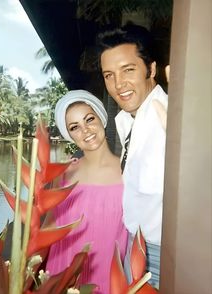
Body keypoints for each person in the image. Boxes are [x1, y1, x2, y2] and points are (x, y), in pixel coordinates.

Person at [97, 23, 168, 289]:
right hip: (133, 246)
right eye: (109, 75)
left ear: (151, 69)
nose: (118, 85)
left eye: (128, 70)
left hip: (162, 256)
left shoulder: (171, 120)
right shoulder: (127, 121)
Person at [46, 90, 128, 294]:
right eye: (75, 127)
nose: (86, 130)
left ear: (101, 118)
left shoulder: (129, 173)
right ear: (70, 135)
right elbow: (48, 229)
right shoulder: (62, 174)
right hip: (62, 274)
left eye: (89, 119)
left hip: (108, 281)